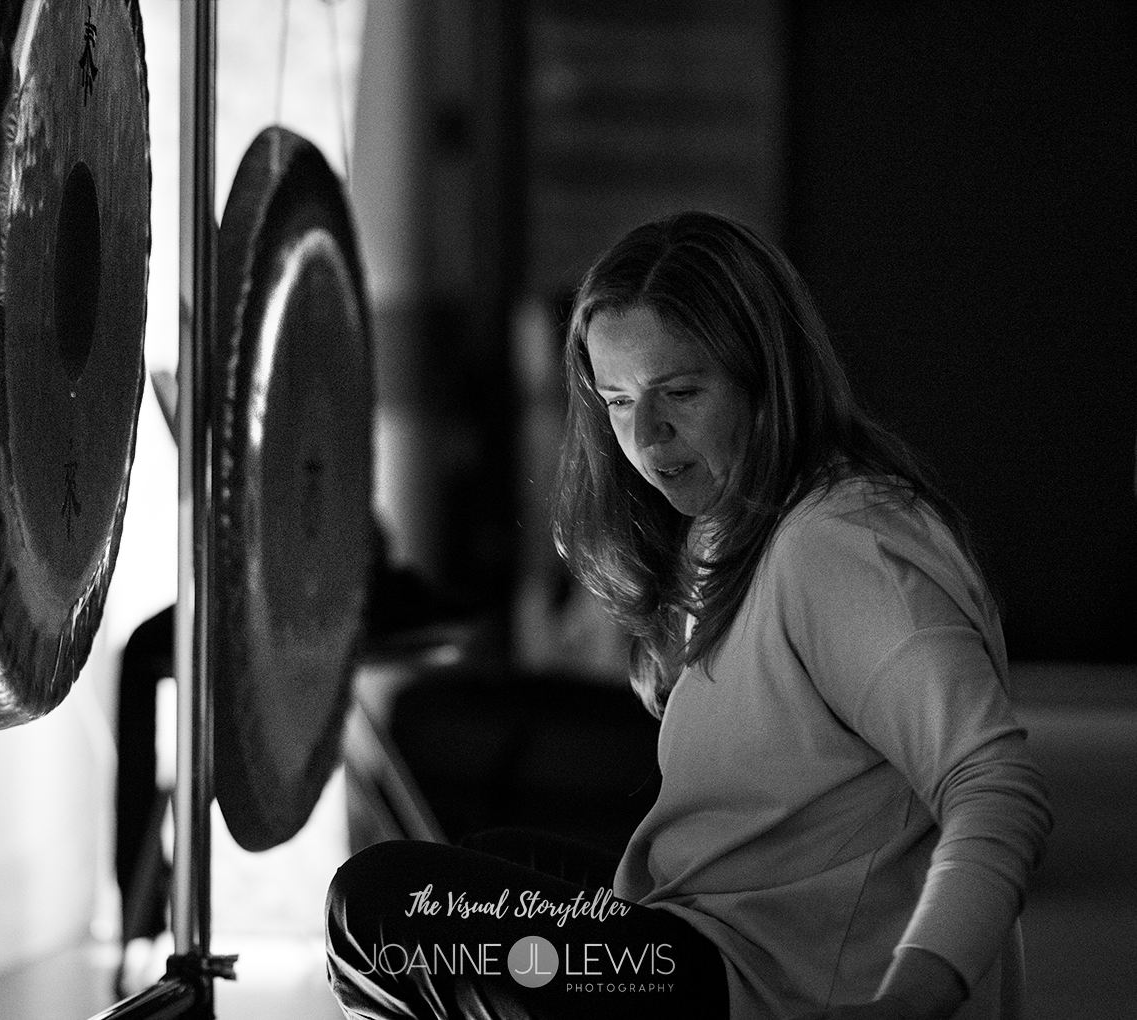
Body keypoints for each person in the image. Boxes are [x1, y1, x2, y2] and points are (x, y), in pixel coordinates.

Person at [325, 211, 1052, 1019]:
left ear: (764, 376)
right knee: (489, 867)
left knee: (381, 904)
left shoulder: (842, 546)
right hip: (699, 946)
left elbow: (995, 787)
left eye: (680, 392)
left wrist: (911, 999)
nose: (646, 435)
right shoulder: (727, 525)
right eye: (618, 400)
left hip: (771, 989)